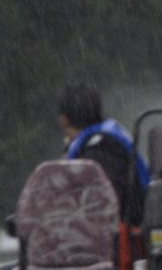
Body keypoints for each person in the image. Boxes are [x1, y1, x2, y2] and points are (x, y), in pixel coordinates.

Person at [57, 83, 149, 225]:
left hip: (119, 231)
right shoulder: (107, 138)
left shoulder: (100, 148)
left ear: (64, 119)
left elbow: (103, 202)